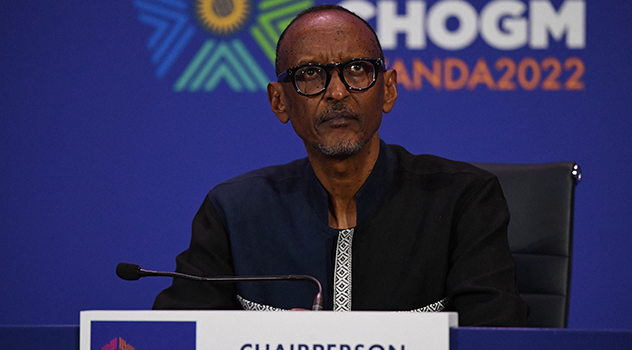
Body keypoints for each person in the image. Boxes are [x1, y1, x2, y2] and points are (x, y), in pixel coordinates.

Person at [153, 4, 528, 326]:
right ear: (279, 102)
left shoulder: (462, 200)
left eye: (358, 70)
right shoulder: (233, 213)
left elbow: (496, 337)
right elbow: (176, 337)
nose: (337, 92)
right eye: (310, 74)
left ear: (389, 89)